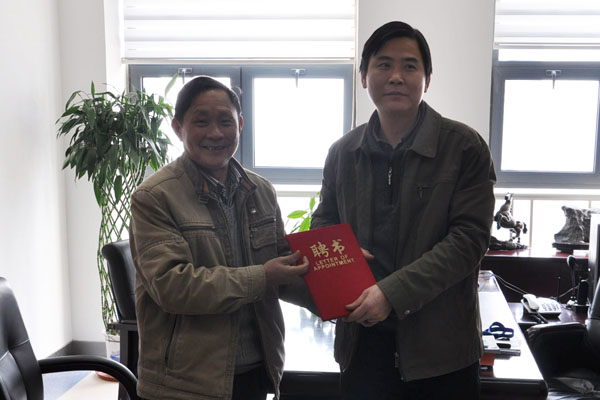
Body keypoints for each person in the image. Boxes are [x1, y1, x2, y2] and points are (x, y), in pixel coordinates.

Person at [311, 21, 496, 399]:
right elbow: (324, 222)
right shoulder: (343, 152)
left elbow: (469, 240)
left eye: (410, 66)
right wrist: (341, 265)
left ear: (427, 80)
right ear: (364, 76)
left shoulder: (464, 147)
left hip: (441, 351)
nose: (396, 76)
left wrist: (391, 294)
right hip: (362, 345)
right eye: (383, 64)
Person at [129, 76, 310, 400]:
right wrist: (262, 276)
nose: (215, 133)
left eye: (225, 121)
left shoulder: (260, 191)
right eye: (201, 122)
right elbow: (172, 286)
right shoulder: (155, 197)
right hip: (184, 385)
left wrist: (345, 278)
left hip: (256, 371)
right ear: (178, 127)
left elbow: (284, 270)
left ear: (240, 125)